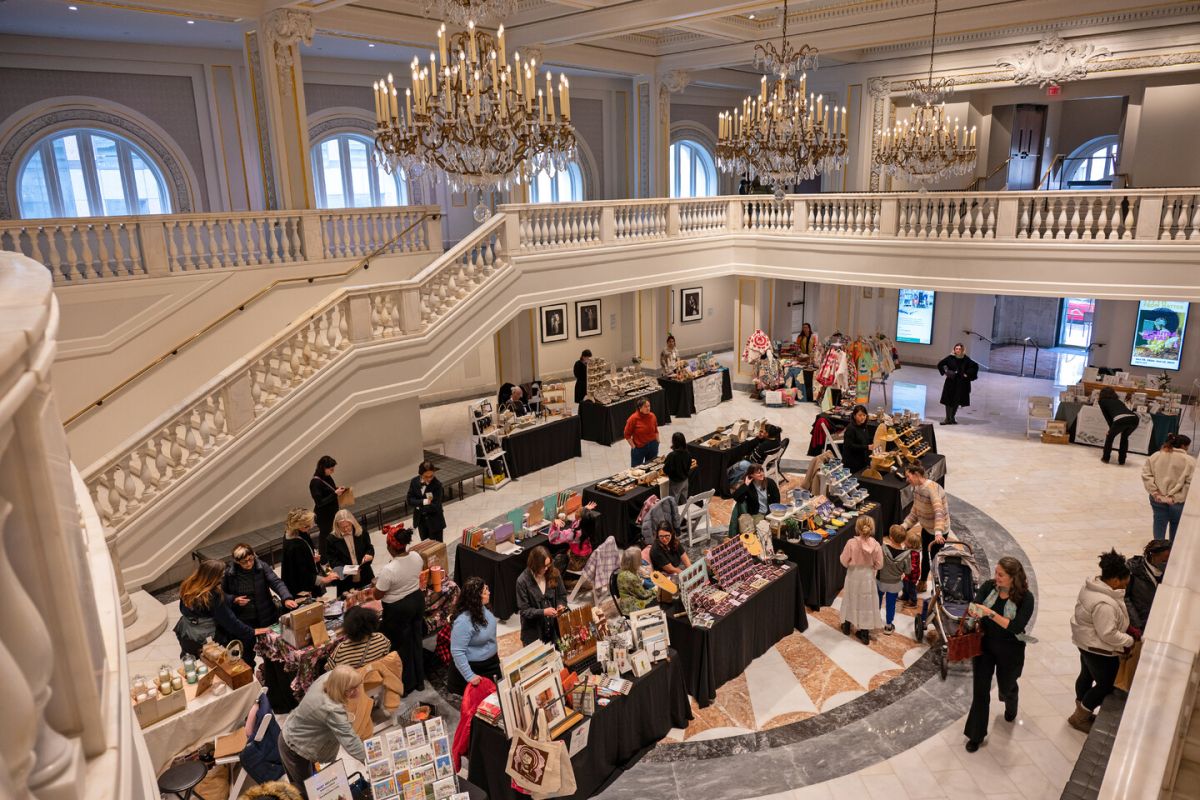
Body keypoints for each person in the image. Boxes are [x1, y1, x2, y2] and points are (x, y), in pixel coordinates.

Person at [962, 557, 1035, 751]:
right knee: (980, 690)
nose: (996, 577)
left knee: (1007, 686)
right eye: (996, 573)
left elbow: (1016, 627)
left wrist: (990, 614)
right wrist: (976, 611)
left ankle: (1011, 701)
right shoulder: (988, 587)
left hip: (1011, 649)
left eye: (1001, 575)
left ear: (1013, 578)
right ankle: (976, 735)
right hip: (985, 645)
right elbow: (974, 606)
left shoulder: (1026, 599)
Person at [1069, 549, 1135, 733]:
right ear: (1114, 580)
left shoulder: (1092, 586)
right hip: (1099, 650)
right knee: (1106, 685)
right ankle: (1080, 717)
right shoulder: (1104, 604)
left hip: (1085, 643)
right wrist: (1128, 640)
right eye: (1124, 581)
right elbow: (1108, 634)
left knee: (1086, 675)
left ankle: (1081, 709)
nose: (1125, 585)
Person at [277, 665, 367, 797]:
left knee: (313, 784)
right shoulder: (331, 708)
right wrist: (370, 761)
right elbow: (351, 741)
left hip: (298, 734)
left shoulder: (331, 677)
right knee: (305, 791)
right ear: (341, 687)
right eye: (352, 689)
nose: (357, 691)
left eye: (358, 686)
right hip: (294, 747)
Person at [174, 559, 268, 658]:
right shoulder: (213, 596)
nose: (223, 577)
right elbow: (230, 622)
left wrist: (232, 599)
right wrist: (252, 631)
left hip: (187, 633)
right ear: (213, 577)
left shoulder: (189, 585)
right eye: (221, 575)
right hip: (208, 639)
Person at [372, 526, 427, 694]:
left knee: (401, 647)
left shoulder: (389, 570)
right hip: (416, 601)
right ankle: (419, 680)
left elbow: (377, 595)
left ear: (390, 547)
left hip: (398, 610)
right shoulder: (417, 557)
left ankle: (406, 684)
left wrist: (376, 584)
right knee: (416, 640)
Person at [223, 544, 297, 663]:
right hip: (244, 620)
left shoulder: (262, 566)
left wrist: (286, 598)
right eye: (244, 562)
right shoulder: (229, 574)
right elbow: (222, 594)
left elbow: (276, 583)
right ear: (236, 562)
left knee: (271, 651)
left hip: (265, 615)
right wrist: (234, 599)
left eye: (250, 559)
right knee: (246, 655)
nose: (248, 564)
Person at [448, 577, 501, 695]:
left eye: (487, 588)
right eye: (485, 591)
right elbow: (457, 651)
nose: (489, 593)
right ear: (476, 597)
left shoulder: (484, 607)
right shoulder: (463, 621)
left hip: (491, 663)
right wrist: (469, 675)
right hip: (475, 668)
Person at [902, 463, 950, 590]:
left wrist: (938, 532)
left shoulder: (932, 489)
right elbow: (915, 511)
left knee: (935, 561)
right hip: (927, 528)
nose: (907, 480)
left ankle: (938, 590)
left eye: (908, 476)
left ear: (917, 474)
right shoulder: (917, 488)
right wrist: (904, 525)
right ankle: (923, 582)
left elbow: (939, 511)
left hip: (938, 532)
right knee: (925, 558)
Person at [1142, 432, 1194, 540]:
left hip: (1157, 498)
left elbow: (1146, 474)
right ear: (1184, 446)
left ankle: (1158, 551)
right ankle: (1171, 552)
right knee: (1175, 524)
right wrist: (1175, 498)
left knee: (1159, 522)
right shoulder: (1190, 461)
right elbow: (1190, 483)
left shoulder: (1156, 455)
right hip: (1177, 501)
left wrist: (1155, 492)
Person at [840, 516, 883, 645]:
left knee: (850, 598)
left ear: (857, 528)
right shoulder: (876, 545)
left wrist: (850, 564)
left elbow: (843, 560)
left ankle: (847, 625)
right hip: (868, 576)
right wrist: (872, 567)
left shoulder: (851, 543)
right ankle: (864, 632)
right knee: (866, 603)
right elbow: (880, 564)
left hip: (853, 575)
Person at [515, 545, 568, 646]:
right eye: (544, 566)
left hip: (554, 631)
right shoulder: (522, 581)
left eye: (548, 565)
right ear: (535, 565)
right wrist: (543, 612)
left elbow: (562, 595)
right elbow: (525, 610)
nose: (547, 569)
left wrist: (561, 605)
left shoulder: (553, 572)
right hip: (533, 633)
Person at [279, 508, 337, 600]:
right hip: (300, 585)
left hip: (305, 576)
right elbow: (302, 573)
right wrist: (324, 579)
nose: (310, 527)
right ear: (298, 525)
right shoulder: (295, 545)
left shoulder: (299, 532)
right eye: (307, 526)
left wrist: (312, 558)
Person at [1125, 539, 1171, 638]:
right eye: (1164, 561)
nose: (1167, 564)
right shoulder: (1133, 571)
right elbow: (1125, 599)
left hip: (1161, 624)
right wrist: (1137, 624)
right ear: (1153, 555)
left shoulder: (1170, 571)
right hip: (1140, 626)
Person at [325, 508, 375, 596]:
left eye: (348, 525)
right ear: (337, 526)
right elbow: (333, 561)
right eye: (342, 527)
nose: (346, 529)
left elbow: (369, 547)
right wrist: (351, 570)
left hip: (365, 574)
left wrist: (369, 555)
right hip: (346, 580)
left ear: (352, 522)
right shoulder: (331, 539)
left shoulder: (361, 531)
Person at [325, 606, 392, 671]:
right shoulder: (381, 638)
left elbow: (330, 668)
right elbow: (386, 653)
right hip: (376, 676)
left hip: (355, 681)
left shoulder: (342, 648)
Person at [877, 525, 912, 634]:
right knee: (891, 604)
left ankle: (874, 620)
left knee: (877, 600)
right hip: (895, 583)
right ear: (904, 539)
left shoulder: (882, 549)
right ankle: (888, 626)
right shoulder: (906, 555)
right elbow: (907, 571)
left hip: (880, 580)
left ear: (890, 537)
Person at [309, 455, 345, 552]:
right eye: (331, 469)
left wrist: (337, 489)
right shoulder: (315, 482)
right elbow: (319, 502)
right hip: (324, 515)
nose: (333, 471)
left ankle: (333, 553)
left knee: (333, 534)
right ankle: (324, 559)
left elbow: (328, 490)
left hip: (332, 512)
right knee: (325, 537)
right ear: (323, 468)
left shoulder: (327, 477)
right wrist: (335, 494)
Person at [936, 343, 978, 425]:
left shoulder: (966, 359)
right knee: (948, 400)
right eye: (956, 349)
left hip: (961, 384)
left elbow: (974, 366)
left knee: (956, 400)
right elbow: (940, 364)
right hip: (950, 382)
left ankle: (952, 418)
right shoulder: (950, 358)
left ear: (962, 350)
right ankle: (947, 418)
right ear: (954, 349)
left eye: (959, 349)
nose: (958, 350)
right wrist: (946, 372)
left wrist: (967, 374)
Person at [1098, 387, 1139, 465]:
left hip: (1121, 419)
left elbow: (1107, 417)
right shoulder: (1118, 401)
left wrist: (1110, 429)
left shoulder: (1102, 401)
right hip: (1134, 418)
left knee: (1110, 437)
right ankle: (1122, 461)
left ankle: (1105, 458)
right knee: (1124, 437)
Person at [407, 460, 446, 542]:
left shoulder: (437, 485)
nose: (429, 479)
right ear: (421, 474)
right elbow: (409, 500)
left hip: (435, 522)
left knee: (437, 549)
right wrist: (423, 502)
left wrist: (418, 507)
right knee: (425, 547)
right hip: (421, 521)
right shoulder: (414, 482)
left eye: (431, 476)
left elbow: (435, 506)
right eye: (426, 476)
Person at [616, 546, 657, 615]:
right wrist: (654, 590)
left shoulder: (622, 571)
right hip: (631, 605)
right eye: (639, 558)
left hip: (626, 602)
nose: (641, 560)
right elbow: (643, 595)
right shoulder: (631, 577)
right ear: (634, 561)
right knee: (656, 600)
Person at [623, 397, 660, 467]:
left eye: (649, 406)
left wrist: (657, 442)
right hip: (639, 448)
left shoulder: (652, 416)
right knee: (636, 470)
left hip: (653, 446)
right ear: (640, 407)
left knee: (651, 467)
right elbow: (626, 434)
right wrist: (633, 447)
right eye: (645, 406)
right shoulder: (633, 418)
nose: (648, 408)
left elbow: (656, 430)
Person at [841, 404, 872, 473]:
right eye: (860, 415)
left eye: (864, 415)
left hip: (861, 459)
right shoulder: (851, 429)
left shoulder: (864, 426)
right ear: (854, 416)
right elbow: (850, 446)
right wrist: (867, 447)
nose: (863, 417)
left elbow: (866, 441)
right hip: (852, 462)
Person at [663, 432, 692, 505]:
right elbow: (689, 466)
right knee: (684, 501)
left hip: (676, 483)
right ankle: (684, 515)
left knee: (673, 503)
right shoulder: (688, 453)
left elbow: (666, 470)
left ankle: (675, 516)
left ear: (674, 442)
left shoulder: (672, 455)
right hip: (685, 480)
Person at [795, 323, 819, 402]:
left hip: (811, 358)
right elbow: (797, 346)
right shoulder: (800, 337)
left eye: (806, 327)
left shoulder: (814, 336)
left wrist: (811, 354)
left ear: (809, 328)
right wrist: (800, 354)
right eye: (803, 327)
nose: (805, 329)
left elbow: (816, 346)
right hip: (803, 358)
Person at [900, 528, 922, 609]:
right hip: (907, 574)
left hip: (912, 575)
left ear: (911, 545)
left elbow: (912, 566)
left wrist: (904, 569)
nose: (904, 541)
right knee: (904, 585)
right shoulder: (907, 550)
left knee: (911, 588)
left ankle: (913, 601)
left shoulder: (913, 554)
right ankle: (905, 596)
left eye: (906, 541)